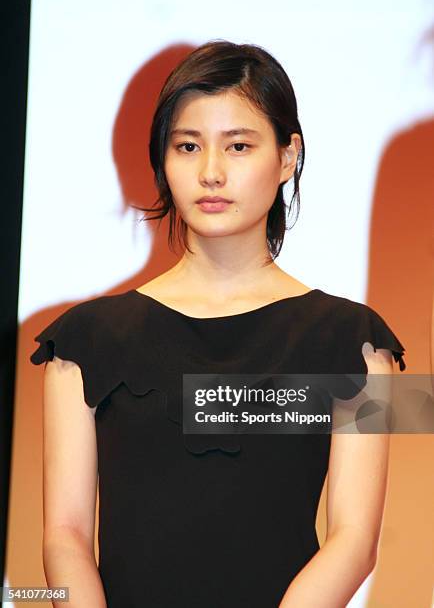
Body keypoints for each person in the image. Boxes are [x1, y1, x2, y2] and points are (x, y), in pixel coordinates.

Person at [30, 40, 406, 608]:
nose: (210, 172)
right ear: (163, 158)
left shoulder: (357, 345)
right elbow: (65, 535)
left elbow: (355, 541)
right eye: (187, 146)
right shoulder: (82, 342)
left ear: (287, 157)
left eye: (238, 146)